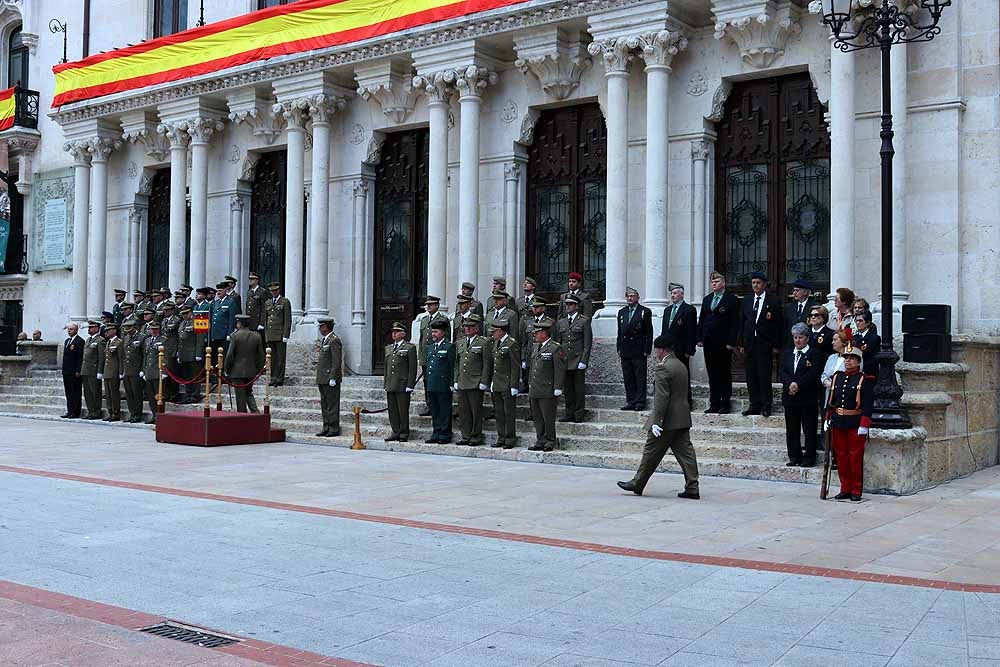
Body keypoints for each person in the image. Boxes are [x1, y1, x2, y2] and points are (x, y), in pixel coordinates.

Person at [617, 333, 700, 498]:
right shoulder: (680, 365)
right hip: (682, 417)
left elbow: (661, 398)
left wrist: (657, 421)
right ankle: (692, 486)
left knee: (650, 452)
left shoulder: (663, 367)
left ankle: (637, 483)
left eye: (657, 349)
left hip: (667, 420)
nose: (656, 352)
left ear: (661, 349)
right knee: (686, 454)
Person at [825, 340, 873, 501]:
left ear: (858, 362)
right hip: (838, 421)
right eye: (846, 358)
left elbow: (867, 404)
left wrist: (864, 425)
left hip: (855, 422)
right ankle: (845, 488)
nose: (848, 360)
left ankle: (856, 490)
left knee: (855, 457)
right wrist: (827, 418)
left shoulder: (863, 379)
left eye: (852, 358)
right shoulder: (837, 377)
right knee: (841, 457)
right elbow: (832, 400)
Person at [779, 323, 823, 467]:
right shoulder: (787, 353)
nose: (797, 340)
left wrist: (798, 384)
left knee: (809, 429)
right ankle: (794, 456)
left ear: (807, 338)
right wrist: (790, 384)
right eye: (795, 337)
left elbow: (813, 373)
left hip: (807, 397)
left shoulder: (814, 353)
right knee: (792, 429)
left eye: (801, 337)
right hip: (790, 396)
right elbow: (783, 372)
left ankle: (809, 457)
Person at [740, 271, 783, 417]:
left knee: (764, 376)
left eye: (758, 283)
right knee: (751, 376)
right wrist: (740, 343)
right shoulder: (746, 300)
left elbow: (778, 324)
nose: (755, 285)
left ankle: (766, 404)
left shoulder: (773, 301)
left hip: (765, 344)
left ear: (764, 284)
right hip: (750, 344)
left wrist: (776, 345)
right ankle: (754, 404)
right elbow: (742, 322)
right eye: (753, 283)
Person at [698, 271, 740, 414]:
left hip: (723, 343)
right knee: (712, 373)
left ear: (723, 283)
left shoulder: (731, 299)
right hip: (709, 342)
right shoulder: (707, 299)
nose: (714, 284)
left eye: (716, 282)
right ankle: (714, 403)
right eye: (712, 282)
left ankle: (725, 403)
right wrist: (700, 338)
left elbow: (735, 323)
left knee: (724, 373)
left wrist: (731, 342)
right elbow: (702, 320)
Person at [527, 320, 565, 452]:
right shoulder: (535, 346)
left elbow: (559, 369)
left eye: (536, 333)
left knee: (548, 417)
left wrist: (558, 387)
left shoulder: (555, 347)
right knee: (537, 417)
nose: (534, 335)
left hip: (547, 388)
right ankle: (540, 439)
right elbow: (534, 368)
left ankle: (550, 440)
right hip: (536, 387)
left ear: (544, 333)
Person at [454, 314, 491, 446]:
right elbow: (457, 363)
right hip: (463, 381)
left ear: (477, 328)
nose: (467, 329)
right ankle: (465, 435)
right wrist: (456, 379)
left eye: (470, 327)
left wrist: (484, 381)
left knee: (476, 411)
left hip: (475, 382)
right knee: (463, 411)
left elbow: (487, 363)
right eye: (465, 327)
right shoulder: (461, 342)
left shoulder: (483, 342)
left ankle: (475, 436)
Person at [555, 293, 592, 423]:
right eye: (566, 304)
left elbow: (587, 343)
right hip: (565, 360)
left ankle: (578, 413)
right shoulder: (561, 322)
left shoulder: (584, 320)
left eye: (570, 304)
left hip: (577, 359)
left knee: (578, 389)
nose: (568, 307)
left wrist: (584, 360)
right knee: (568, 389)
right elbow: (558, 343)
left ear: (576, 306)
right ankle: (569, 412)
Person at [617, 287, 653, 411]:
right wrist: (619, 347)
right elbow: (620, 332)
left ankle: (640, 402)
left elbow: (649, 332)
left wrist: (647, 349)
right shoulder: (622, 312)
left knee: (639, 376)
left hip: (638, 349)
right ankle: (630, 400)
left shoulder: (645, 311)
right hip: (625, 349)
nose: (630, 298)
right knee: (628, 376)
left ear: (638, 297)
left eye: (632, 296)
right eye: (628, 296)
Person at [662, 283, 697, 406]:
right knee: (669, 376)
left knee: (682, 376)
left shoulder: (689, 310)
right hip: (669, 350)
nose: (673, 295)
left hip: (682, 350)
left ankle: (686, 401)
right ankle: (672, 401)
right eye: (671, 293)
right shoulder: (667, 310)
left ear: (682, 294)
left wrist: (689, 350)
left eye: (675, 293)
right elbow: (664, 331)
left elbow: (692, 332)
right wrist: (662, 349)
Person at [489, 318, 520, 449]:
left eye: (494, 331)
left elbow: (515, 366)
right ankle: (501, 436)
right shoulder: (496, 342)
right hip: (497, 383)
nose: (492, 334)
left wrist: (514, 385)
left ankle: (510, 438)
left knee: (508, 413)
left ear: (501, 331)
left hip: (507, 383)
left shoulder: (511, 344)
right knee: (499, 412)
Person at [224, 315, 265, 413]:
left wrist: (226, 369)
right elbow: (260, 355)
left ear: (239, 323)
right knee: (248, 392)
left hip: (237, 371)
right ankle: (255, 413)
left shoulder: (235, 335)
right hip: (251, 370)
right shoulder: (257, 336)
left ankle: (242, 417)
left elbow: (230, 355)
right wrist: (259, 369)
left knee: (240, 397)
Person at [384, 321, 417, 442]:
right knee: (392, 410)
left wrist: (410, 384)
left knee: (402, 410)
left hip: (402, 384)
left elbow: (412, 368)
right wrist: (386, 383)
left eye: (396, 332)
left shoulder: (409, 347)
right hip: (391, 384)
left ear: (403, 334)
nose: (394, 334)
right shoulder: (389, 348)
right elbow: (387, 368)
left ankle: (403, 433)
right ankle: (395, 431)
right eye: (393, 332)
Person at [424, 319, 455, 444]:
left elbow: (452, 366)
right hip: (432, 384)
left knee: (444, 410)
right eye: (433, 331)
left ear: (442, 332)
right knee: (435, 410)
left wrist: (452, 383)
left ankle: (445, 434)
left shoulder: (449, 347)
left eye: (436, 332)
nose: (433, 334)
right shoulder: (431, 347)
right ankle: (436, 432)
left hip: (444, 384)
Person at [418, 296, 450, 416]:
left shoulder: (443, 319)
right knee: (427, 382)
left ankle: (438, 405)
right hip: (427, 356)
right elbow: (422, 340)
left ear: (437, 305)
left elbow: (447, 338)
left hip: (438, 356)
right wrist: (421, 356)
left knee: (438, 381)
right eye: (427, 305)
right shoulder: (424, 319)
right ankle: (429, 405)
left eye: (431, 304)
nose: (428, 307)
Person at [315, 316, 342, 437]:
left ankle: (333, 427)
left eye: (321, 326)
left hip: (329, 378)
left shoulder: (334, 340)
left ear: (326, 327)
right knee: (325, 404)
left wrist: (333, 377)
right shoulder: (325, 340)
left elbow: (336, 361)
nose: (320, 328)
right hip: (322, 378)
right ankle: (326, 426)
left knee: (332, 404)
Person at [263, 282, 291, 385]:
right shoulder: (268, 303)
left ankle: (279, 378)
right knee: (272, 358)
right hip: (271, 335)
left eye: (275, 291)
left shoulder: (285, 302)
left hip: (280, 335)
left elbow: (287, 320)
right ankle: (273, 377)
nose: (273, 293)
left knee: (280, 358)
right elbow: (266, 320)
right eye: (271, 291)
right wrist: (266, 335)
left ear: (278, 291)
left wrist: (286, 335)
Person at [121, 318, 146, 422]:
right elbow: (124, 355)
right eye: (126, 329)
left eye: (129, 328)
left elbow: (144, 354)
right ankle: (132, 414)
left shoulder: (141, 337)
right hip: (127, 370)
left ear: (134, 327)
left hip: (136, 370)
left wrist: (142, 369)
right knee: (129, 394)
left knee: (137, 394)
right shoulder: (126, 338)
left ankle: (138, 415)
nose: (128, 330)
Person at [80, 320, 105, 420]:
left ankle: (96, 411)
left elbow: (101, 357)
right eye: (89, 328)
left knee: (95, 392)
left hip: (94, 370)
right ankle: (91, 411)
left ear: (96, 329)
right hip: (86, 370)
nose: (89, 329)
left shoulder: (100, 340)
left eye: (91, 327)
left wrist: (100, 371)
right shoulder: (88, 340)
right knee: (88, 393)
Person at [177, 306, 202, 404]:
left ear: (191, 312)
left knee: (195, 376)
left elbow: (200, 339)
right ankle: (188, 394)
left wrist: (198, 353)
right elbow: (180, 340)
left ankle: (195, 395)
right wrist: (179, 354)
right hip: (184, 354)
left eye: (186, 313)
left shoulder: (197, 321)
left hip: (193, 353)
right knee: (187, 377)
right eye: (183, 314)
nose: (184, 316)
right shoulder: (182, 323)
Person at [140, 321, 164, 424]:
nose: (154, 331)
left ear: (159, 330)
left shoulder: (163, 340)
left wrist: (164, 371)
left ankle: (160, 415)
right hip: (149, 372)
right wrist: (144, 370)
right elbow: (145, 357)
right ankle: (154, 415)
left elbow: (165, 356)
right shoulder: (147, 341)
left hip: (158, 371)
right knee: (150, 396)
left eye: (156, 329)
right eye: (152, 329)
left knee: (159, 396)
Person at [60, 323, 84, 419]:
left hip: (74, 371)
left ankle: (76, 411)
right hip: (67, 371)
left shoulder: (80, 341)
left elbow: (79, 357)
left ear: (76, 330)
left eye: (71, 329)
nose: (69, 331)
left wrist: (78, 370)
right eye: (68, 329)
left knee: (76, 392)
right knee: (68, 392)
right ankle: (69, 410)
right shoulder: (67, 341)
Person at [101, 322, 124, 422]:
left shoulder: (119, 342)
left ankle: (116, 413)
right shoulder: (108, 342)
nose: (106, 332)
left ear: (114, 331)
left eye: (109, 330)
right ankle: (110, 412)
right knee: (108, 394)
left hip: (114, 372)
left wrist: (120, 372)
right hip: (107, 372)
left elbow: (120, 358)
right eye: (106, 331)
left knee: (114, 394)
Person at [210, 280, 239, 360]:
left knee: (224, 355)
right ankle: (216, 371)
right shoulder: (216, 302)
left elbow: (232, 319)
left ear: (225, 291)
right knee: (215, 356)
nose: (218, 293)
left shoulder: (230, 302)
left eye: (220, 291)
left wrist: (229, 334)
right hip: (215, 333)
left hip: (224, 333)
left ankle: (224, 371)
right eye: (217, 291)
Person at [783, 279, 816, 348]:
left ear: (805, 292)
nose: (794, 293)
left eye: (797, 290)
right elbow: (784, 327)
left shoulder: (814, 307)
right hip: (790, 345)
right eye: (794, 290)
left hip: (808, 345)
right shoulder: (788, 307)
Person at [160, 302, 181, 402]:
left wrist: (177, 350)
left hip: (173, 349)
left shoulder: (176, 320)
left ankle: (174, 394)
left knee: (173, 374)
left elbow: (178, 336)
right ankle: (167, 394)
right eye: (164, 310)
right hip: (165, 350)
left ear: (172, 310)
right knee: (165, 374)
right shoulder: (163, 320)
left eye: (167, 310)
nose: (165, 312)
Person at [854, 310, 880, 379]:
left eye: (860, 321)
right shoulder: (855, 337)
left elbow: (871, 358)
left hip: (868, 374)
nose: (857, 323)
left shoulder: (874, 338)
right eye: (856, 321)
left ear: (867, 322)